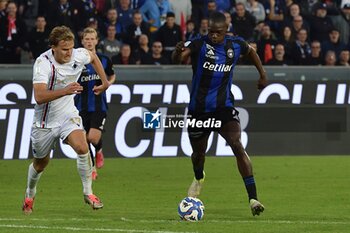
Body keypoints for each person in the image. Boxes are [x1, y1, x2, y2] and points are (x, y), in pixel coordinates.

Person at [172, 12, 267, 216]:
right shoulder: (199, 43)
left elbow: (251, 52)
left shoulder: (235, 44)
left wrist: (263, 74)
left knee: (237, 144)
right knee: (198, 155)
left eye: (218, 33)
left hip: (223, 108)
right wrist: (178, 51)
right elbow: (181, 56)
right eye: (210, 32)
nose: (213, 36)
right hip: (198, 112)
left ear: (226, 30)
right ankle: (199, 177)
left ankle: (253, 198)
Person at [22, 26, 109, 214]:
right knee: (40, 164)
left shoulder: (78, 55)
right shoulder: (42, 63)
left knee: (82, 146)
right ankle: (30, 194)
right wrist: (66, 91)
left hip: (67, 115)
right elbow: (39, 96)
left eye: (71, 48)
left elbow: (93, 58)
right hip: (44, 122)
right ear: (53, 47)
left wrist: (105, 83)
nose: (69, 53)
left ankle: (88, 193)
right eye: (64, 49)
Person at [75, 27, 116, 180]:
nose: (90, 42)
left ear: (97, 41)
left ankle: (99, 150)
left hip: (99, 105)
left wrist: (107, 84)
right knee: (84, 141)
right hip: (80, 106)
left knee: (92, 137)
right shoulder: (75, 61)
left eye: (92, 39)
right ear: (82, 41)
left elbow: (112, 76)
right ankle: (92, 169)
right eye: (87, 39)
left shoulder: (104, 60)